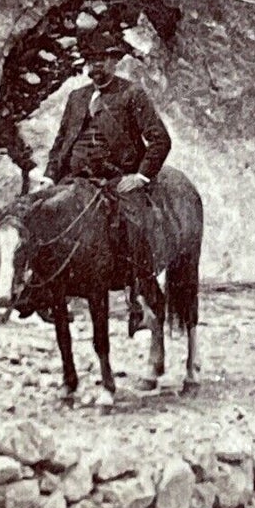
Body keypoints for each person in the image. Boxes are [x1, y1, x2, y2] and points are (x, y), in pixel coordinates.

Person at [44, 26, 171, 331]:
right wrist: (49, 177)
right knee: (43, 217)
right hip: (75, 179)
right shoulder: (77, 97)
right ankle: (44, 292)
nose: (95, 66)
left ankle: (139, 295)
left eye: (101, 59)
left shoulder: (131, 94)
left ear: (114, 62)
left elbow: (159, 139)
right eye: (90, 60)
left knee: (135, 221)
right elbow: (62, 142)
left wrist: (140, 176)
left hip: (117, 180)